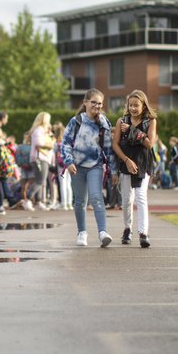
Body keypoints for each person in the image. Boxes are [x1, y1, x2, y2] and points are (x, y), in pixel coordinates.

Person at [60, 88, 116, 248]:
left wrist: (113, 170)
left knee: (97, 196)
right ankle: (82, 232)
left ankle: (103, 232)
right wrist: (69, 162)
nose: (97, 106)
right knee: (79, 201)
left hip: (95, 166)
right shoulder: (76, 121)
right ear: (85, 103)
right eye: (93, 102)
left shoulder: (103, 122)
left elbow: (108, 148)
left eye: (99, 103)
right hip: (76, 167)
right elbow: (64, 143)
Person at [111, 89, 157, 248]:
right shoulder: (121, 121)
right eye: (130, 105)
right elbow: (115, 145)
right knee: (126, 200)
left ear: (143, 105)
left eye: (136, 105)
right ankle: (127, 228)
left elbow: (150, 143)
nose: (133, 108)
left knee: (141, 197)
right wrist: (126, 160)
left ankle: (143, 233)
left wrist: (131, 130)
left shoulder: (150, 121)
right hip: (126, 164)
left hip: (143, 164)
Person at [28, 112, 55, 211]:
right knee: (41, 180)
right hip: (39, 158)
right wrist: (49, 145)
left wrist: (50, 134)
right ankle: (27, 199)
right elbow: (38, 144)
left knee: (39, 180)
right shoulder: (38, 130)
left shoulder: (44, 131)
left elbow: (52, 140)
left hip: (44, 158)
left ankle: (38, 201)